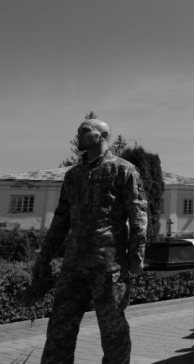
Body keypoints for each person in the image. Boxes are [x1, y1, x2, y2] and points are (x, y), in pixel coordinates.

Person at [32, 118, 148, 364]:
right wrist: (44, 257)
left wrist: (136, 256)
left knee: (112, 330)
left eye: (85, 131)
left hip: (108, 266)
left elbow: (138, 214)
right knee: (59, 329)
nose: (78, 135)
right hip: (73, 265)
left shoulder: (123, 169)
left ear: (102, 136)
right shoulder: (73, 175)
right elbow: (61, 219)